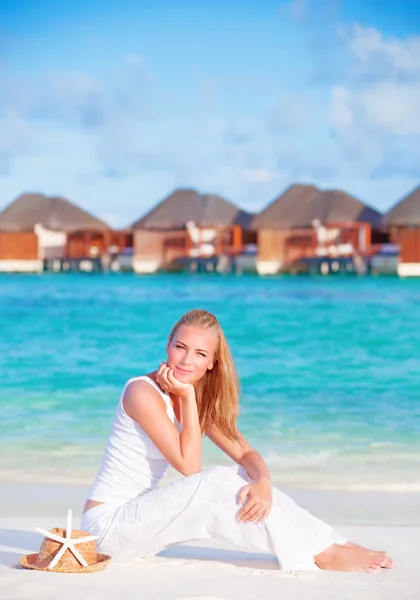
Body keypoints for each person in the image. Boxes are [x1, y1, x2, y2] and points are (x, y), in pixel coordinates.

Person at [81, 309, 393, 572]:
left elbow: (246, 454)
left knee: (243, 478)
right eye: (180, 347)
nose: (186, 360)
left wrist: (264, 483)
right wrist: (187, 397)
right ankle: (317, 554)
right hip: (107, 530)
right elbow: (191, 468)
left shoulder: (195, 397)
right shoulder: (142, 392)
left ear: (212, 362)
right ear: (168, 345)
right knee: (216, 478)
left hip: (142, 523)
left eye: (200, 353)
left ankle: (331, 542)